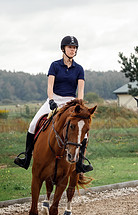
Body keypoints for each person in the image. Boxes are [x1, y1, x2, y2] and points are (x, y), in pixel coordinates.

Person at [14, 35, 93, 173]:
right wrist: (51, 100)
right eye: (70, 47)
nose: (72, 50)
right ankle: (27, 157)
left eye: (74, 48)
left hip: (71, 102)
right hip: (54, 99)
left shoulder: (79, 69)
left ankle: (80, 164)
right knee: (33, 124)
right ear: (63, 49)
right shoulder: (55, 65)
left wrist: (79, 105)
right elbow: (50, 85)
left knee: (84, 134)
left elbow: (80, 90)